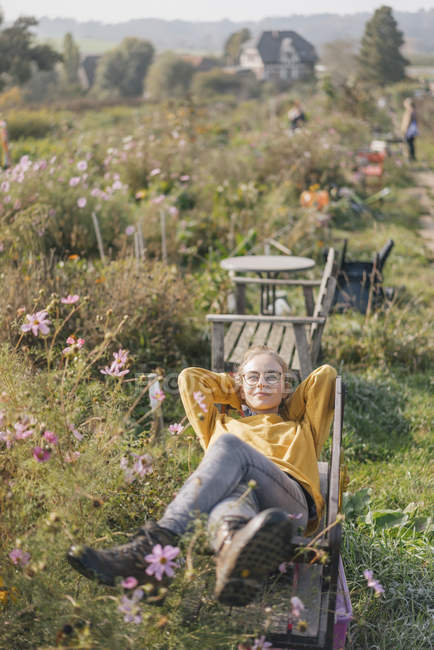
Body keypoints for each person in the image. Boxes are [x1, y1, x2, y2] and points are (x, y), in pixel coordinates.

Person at [67, 346, 336, 607]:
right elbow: (189, 379)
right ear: (238, 386)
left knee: (229, 446)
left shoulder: (302, 427)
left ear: (286, 386)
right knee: (232, 497)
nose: (262, 383)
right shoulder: (218, 424)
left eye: (272, 377)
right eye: (253, 377)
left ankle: (152, 549)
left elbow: (325, 376)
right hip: (248, 508)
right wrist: (240, 390)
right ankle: (234, 553)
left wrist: (283, 400)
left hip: (289, 502)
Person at [401, 97, 419, 161]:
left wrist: (405, 130)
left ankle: (411, 157)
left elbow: (407, 122)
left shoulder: (409, 111)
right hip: (412, 130)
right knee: (411, 144)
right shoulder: (414, 111)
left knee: (409, 144)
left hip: (409, 131)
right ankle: (412, 157)